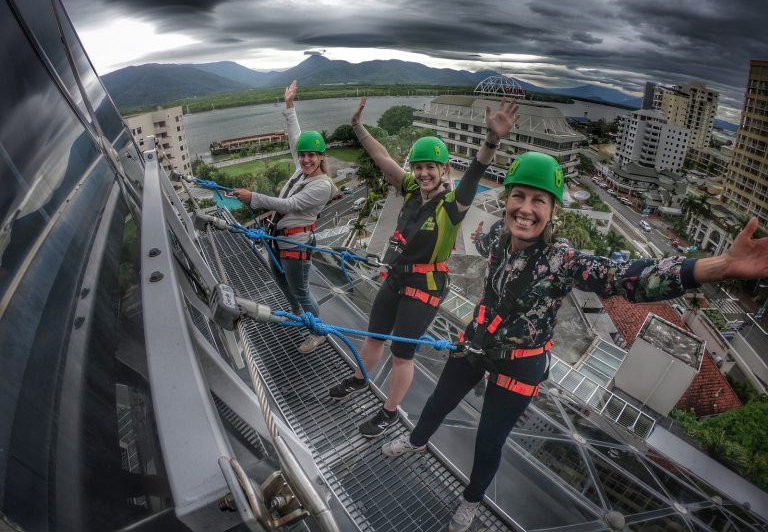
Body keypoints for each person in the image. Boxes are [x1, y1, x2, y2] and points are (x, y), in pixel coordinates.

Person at [379, 151, 768, 532]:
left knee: (488, 442)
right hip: (478, 342)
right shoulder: (498, 236)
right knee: (438, 402)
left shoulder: (563, 260)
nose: (526, 209)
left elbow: (627, 277)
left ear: (553, 211)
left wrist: (718, 266)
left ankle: (471, 501)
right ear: (507, 200)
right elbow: (482, 242)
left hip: (520, 363)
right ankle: (416, 441)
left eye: (538, 201)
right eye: (518, 196)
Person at [328, 96, 520, 439]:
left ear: (444, 169)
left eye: (430, 167)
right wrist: (358, 127)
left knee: (402, 354)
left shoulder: (453, 205)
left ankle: (389, 412)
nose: (423, 173)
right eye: (418, 166)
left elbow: (476, 172)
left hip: (425, 286)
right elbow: (381, 157)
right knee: (374, 336)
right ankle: (360, 379)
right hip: (396, 276)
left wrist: (492, 141)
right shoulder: (411, 189)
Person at [233, 80, 336, 354]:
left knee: (301, 290)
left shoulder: (322, 185)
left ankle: (317, 332)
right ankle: (297, 318)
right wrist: (289, 105)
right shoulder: (301, 171)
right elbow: (296, 138)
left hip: (296, 244)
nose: (306, 159)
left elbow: (290, 204)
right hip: (277, 240)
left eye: (312, 155)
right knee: (284, 285)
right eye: (303, 155)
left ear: (321, 157)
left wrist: (253, 198)